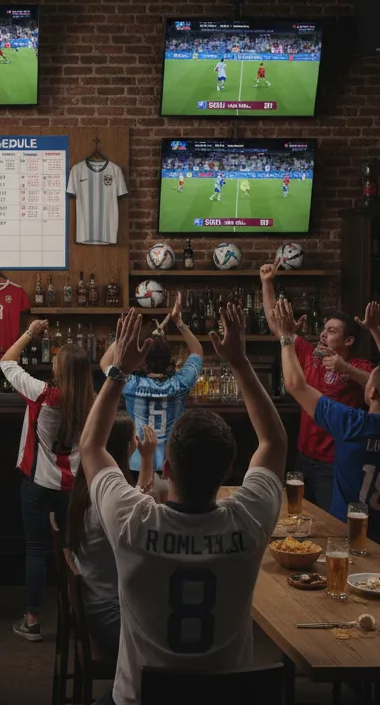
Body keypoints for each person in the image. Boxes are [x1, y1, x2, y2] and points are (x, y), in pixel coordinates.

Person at [84, 306, 285, 705]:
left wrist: (121, 367)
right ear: (230, 470)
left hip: (140, 699)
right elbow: (274, 443)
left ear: (171, 466)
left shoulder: (132, 521)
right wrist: (240, 362)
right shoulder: (249, 520)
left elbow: (91, 446)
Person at [272, 297, 380, 559]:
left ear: (371, 391)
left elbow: (295, 385)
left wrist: (286, 338)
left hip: (347, 540)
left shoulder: (352, 424)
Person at [0, 318, 96, 642]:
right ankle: (80, 616)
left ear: (61, 371)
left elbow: (6, 361)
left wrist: (28, 332)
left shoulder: (42, 394)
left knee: (37, 551)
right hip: (74, 486)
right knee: (74, 552)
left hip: (38, 483)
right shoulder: (93, 402)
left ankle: (32, 621)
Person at [260, 259, 373, 512]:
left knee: (332, 522)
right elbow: (276, 325)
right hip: (304, 457)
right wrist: (267, 283)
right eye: (324, 329)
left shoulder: (360, 365)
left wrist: (345, 369)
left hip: (335, 462)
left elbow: (378, 386)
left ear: (349, 340)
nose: (323, 334)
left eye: (332, 331)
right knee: (299, 516)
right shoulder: (310, 354)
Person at [66, 416, 156, 659]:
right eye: (132, 440)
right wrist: (147, 458)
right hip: (109, 615)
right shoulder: (107, 503)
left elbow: (136, 501)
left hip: (93, 602)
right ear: (126, 447)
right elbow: (142, 512)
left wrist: (146, 460)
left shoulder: (87, 487)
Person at [123, 293, 203, 491]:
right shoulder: (180, 383)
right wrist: (179, 322)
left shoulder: (129, 384)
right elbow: (197, 352)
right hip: (171, 463)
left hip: (137, 464)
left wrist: (129, 334)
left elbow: (105, 363)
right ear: (169, 358)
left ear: (143, 359)